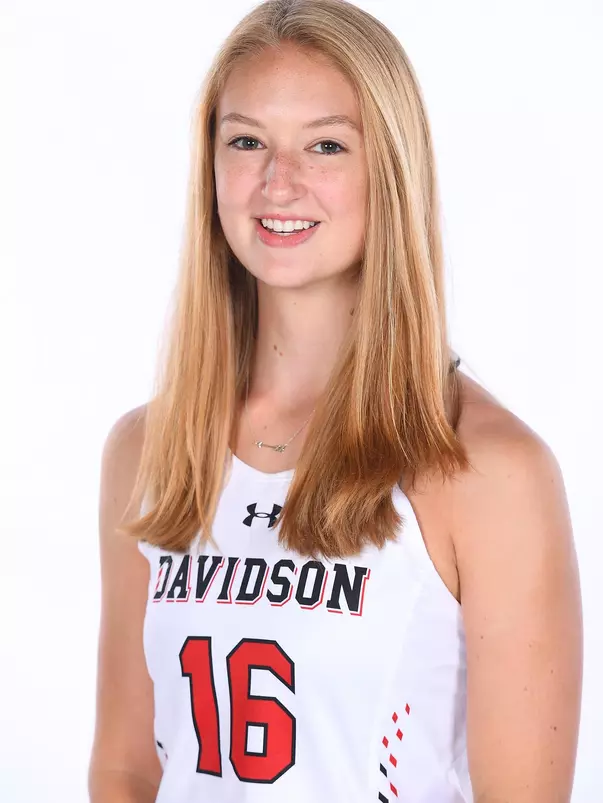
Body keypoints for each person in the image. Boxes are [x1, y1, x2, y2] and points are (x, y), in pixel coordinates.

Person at [88, 1, 583, 801]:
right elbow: (125, 766)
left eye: (325, 145)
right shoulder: (148, 450)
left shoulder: (487, 469)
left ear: (389, 169)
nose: (277, 182)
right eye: (246, 141)